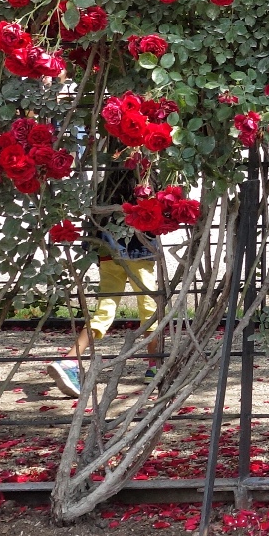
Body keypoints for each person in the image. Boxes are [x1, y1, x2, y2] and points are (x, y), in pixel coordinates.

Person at [48, 158, 161, 397]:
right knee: (150, 310)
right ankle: (155, 366)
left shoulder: (106, 187)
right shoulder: (147, 186)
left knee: (104, 310)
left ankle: (69, 360)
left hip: (108, 252)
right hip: (138, 253)